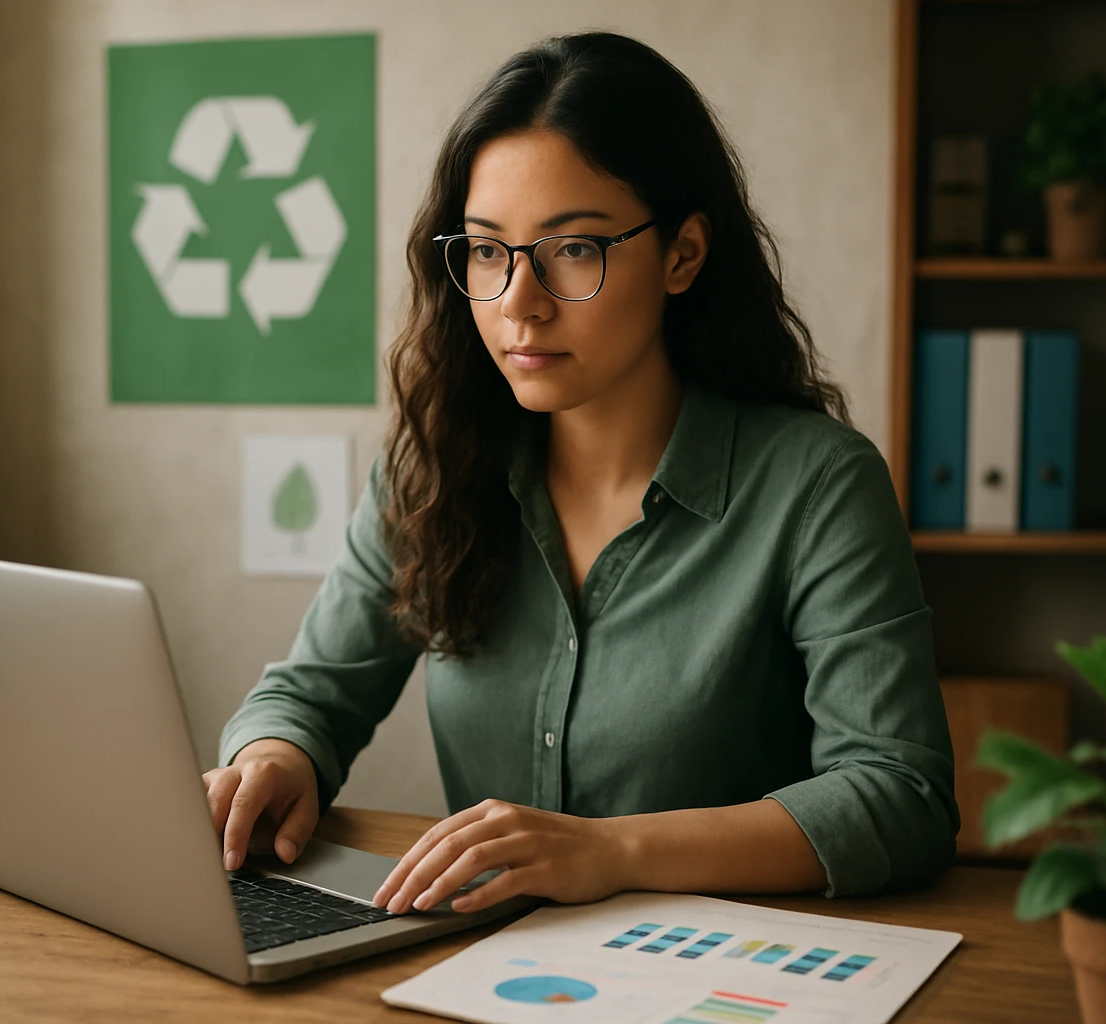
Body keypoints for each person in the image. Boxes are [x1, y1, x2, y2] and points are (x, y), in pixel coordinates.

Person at [204, 31, 957, 917]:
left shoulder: (817, 486)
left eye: (575, 249)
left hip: (727, 981)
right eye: (488, 251)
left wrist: (613, 851)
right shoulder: (435, 468)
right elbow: (310, 694)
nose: (520, 301)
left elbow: (899, 793)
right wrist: (275, 756)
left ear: (683, 254)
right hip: (480, 974)